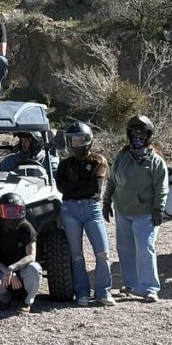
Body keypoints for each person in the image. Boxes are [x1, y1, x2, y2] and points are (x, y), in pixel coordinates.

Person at [103, 114, 168, 303]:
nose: (137, 137)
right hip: (123, 211)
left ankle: (149, 288)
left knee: (145, 248)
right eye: (134, 133)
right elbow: (112, 181)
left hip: (145, 214)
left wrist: (158, 209)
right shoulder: (121, 157)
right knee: (125, 248)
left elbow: (162, 187)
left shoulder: (155, 161)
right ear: (129, 134)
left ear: (148, 136)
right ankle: (131, 284)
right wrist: (106, 203)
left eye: (142, 134)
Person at [56, 121, 114, 307]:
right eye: (73, 140)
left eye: (80, 139)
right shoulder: (64, 164)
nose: (77, 144)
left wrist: (74, 189)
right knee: (76, 254)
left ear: (88, 140)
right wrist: (80, 188)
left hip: (92, 208)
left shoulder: (98, 161)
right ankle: (82, 293)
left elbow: (95, 187)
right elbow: (61, 187)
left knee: (103, 252)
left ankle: (103, 292)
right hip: (70, 210)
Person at [0, 191, 42, 313]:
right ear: (0, 212)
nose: (11, 215)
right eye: (7, 211)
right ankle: (5, 300)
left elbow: (31, 256)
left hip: (23, 269)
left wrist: (13, 268)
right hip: (3, 271)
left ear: (22, 211)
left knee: (35, 269)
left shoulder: (27, 228)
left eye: (14, 211)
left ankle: (27, 302)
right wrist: (8, 271)